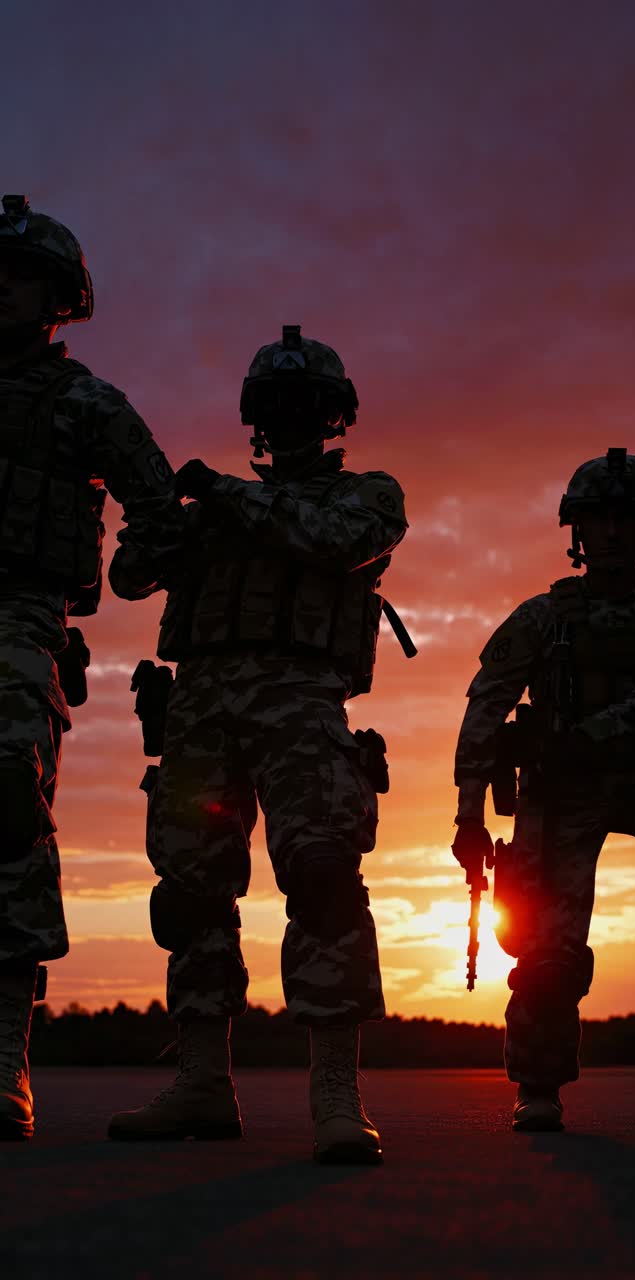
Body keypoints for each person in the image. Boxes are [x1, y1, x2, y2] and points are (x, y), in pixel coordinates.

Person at [107, 325, 409, 1162]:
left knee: (321, 878)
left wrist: (223, 498)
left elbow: (340, 541)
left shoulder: (370, 494)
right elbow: (130, 576)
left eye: (304, 405)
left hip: (301, 703)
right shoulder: (215, 507)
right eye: (272, 407)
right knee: (193, 894)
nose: (287, 420)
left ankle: (336, 1094)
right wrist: (167, 516)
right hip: (200, 704)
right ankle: (202, 1081)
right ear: (253, 417)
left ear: (335, 415)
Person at [452, 448, 635, 1132]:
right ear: (577, 530)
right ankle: (538, 1085)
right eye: (597, 519)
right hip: (563, 793)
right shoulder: (545, 618)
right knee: (547, 946)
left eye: (624, 519)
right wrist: (468, 818)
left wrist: (592, 734)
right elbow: (485, 709)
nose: (609, 532)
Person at [0, 195, 181, 1139]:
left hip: (19, 616)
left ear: (58, 299)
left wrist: (134, 564)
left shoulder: (85, 403)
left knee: (5, 805)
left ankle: (2, 1062)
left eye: (17, 277)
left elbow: (158, 502)